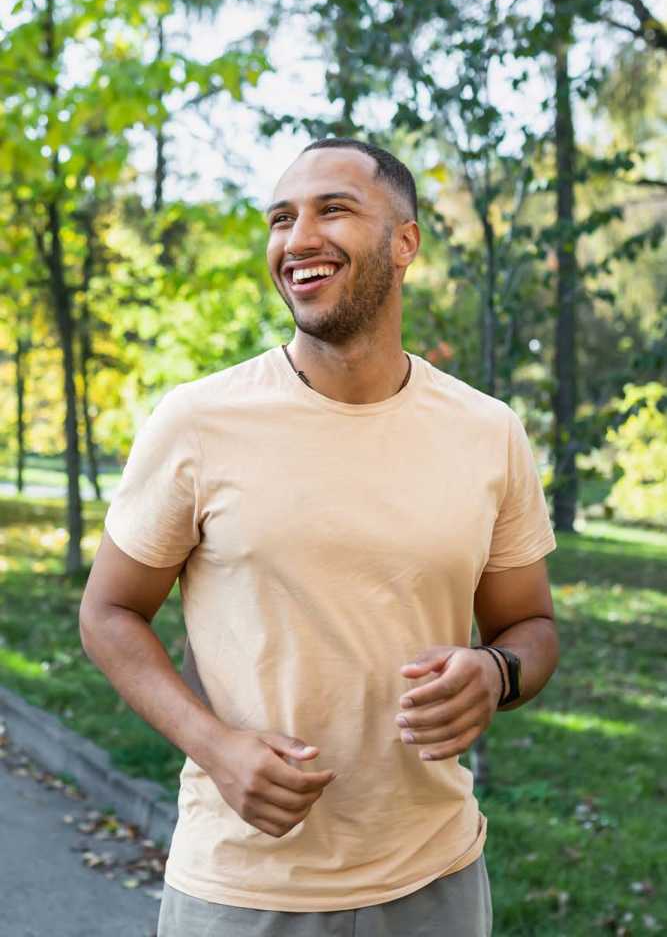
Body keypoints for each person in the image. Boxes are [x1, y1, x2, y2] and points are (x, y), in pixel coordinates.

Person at [79, 138, 558, 936]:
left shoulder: (487, 431)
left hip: (435, 877)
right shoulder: (198, 420)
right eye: (279, 218)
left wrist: (497, 671)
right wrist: (216, 747)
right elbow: (107, 614)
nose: (296, 238)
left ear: (404, 242)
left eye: (332, 209)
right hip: (241, 885)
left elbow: (529, 626)